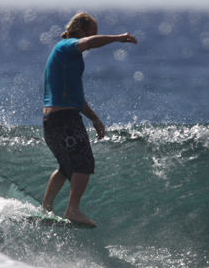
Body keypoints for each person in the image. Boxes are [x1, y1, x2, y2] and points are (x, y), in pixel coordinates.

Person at [41, 12, 137, 227]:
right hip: (64, 119)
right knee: (84, 163)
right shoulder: (66, 47)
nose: (95, 38)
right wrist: (117, 38)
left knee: (66, 167)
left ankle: (46, 208)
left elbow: (76, 97)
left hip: (52, 121)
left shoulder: (69, 60)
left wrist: (95, 119)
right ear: (81, 31)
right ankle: (72, 210)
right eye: (93, 33)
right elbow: (88, 43)